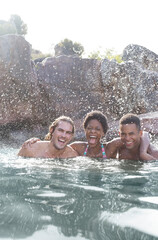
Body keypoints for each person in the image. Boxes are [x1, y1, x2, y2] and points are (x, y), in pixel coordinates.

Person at [21, 111, 156, 160]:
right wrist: (35, 141)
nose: (93, 132)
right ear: (84, 131)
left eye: (97, 129)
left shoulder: (111, 147)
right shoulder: (77, 148)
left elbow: (143, 136)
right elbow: (58, 146)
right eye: (89, 128)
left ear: (103, 132)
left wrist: (143, 152)